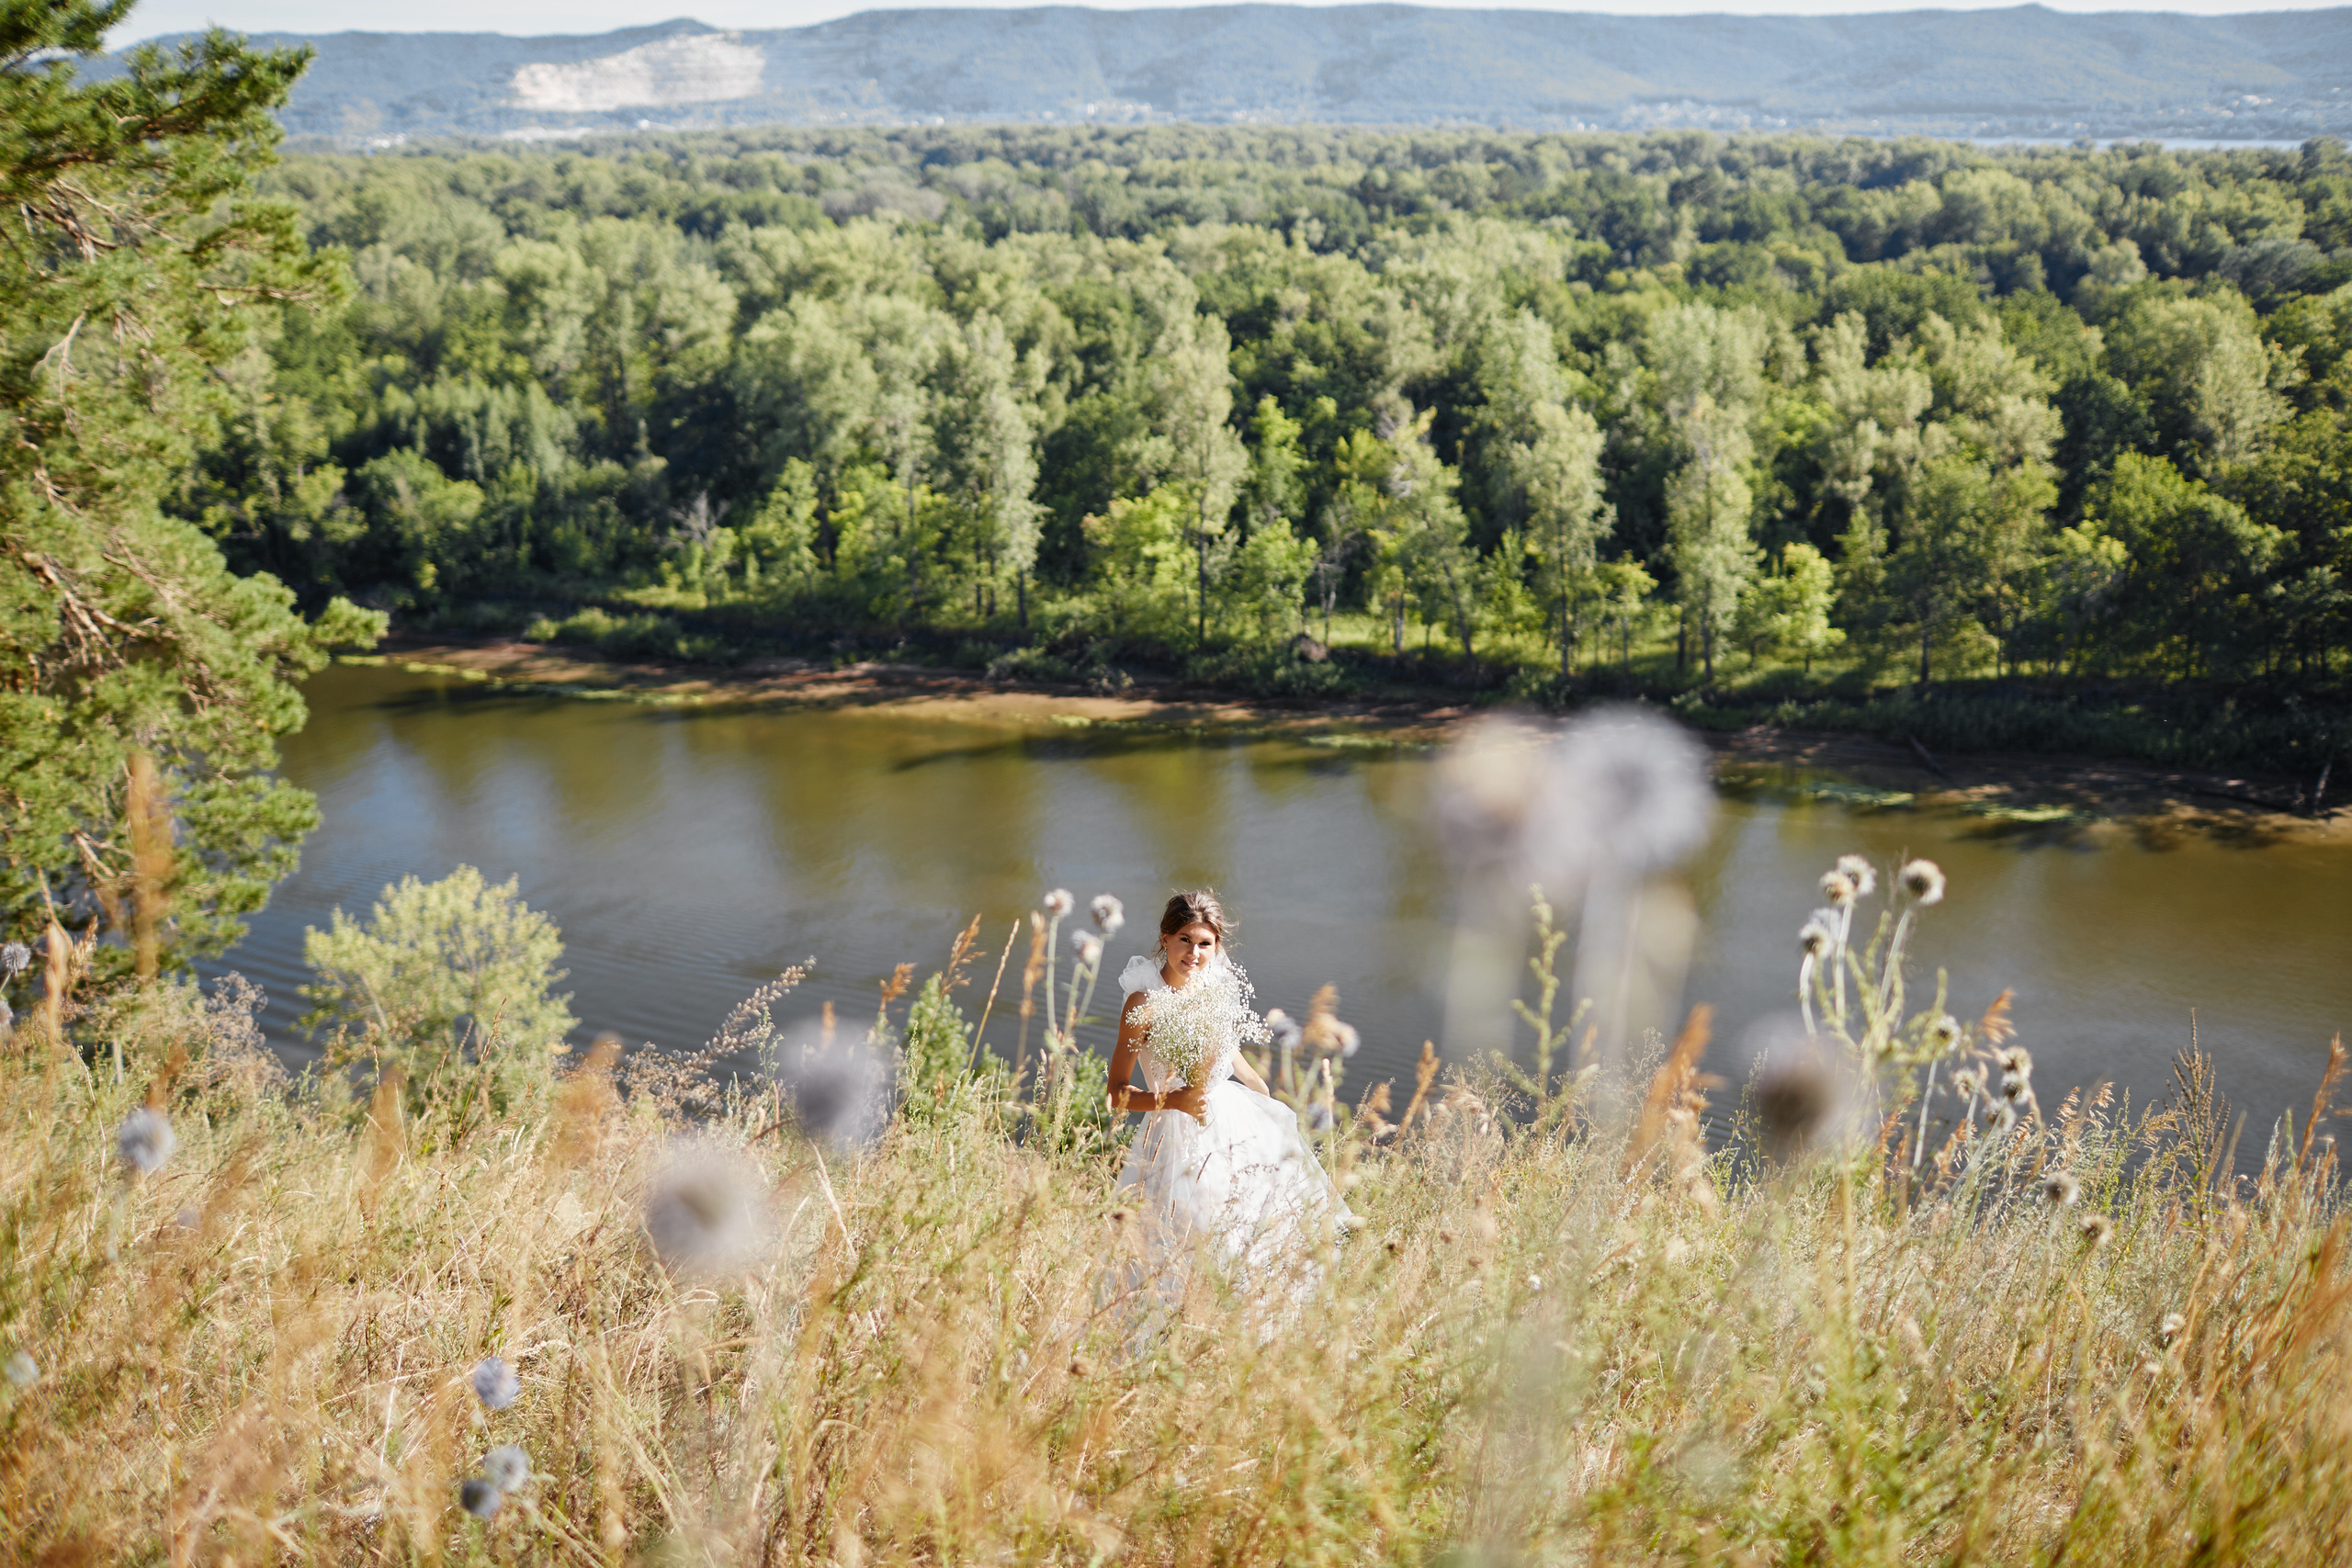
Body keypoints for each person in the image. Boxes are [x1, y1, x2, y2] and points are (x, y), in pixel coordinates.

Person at [1107, 889, 1348, 1302]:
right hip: (1174, 1133)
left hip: (1232, 1121)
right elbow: (1117, 1095)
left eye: (1205, 943)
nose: (1194, 953)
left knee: (1249, 1229)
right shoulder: (1143, 1004)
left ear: (1216, 947)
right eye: (1185, 939)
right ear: (1165, 938)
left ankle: (1240, 1330)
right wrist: (1175, 1100)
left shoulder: (1214, 989)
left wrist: (1261, 1093)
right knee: (1186, 1238)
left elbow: (1228, 1052)